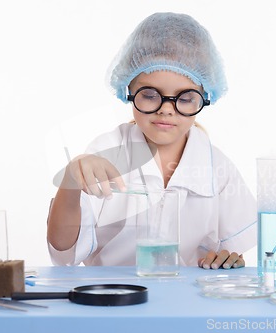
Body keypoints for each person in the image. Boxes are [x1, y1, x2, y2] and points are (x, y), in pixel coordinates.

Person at [47, 12, 257, 269]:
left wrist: (227, 259)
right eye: (149, 94)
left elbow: (231, 251)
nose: (166, 109)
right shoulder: (105, 152)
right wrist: (71, 181)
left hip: (188, 303)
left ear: (205, 98)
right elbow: (63, 253)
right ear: (128, 90)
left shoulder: (218, 169)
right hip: (114, 297)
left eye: (186, 98)